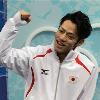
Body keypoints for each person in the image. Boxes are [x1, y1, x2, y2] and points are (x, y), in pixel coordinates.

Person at [0, 10, 98, 100]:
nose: (62, 37)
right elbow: (2, 56)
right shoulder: (34, 56)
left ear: (80, 42)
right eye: (61, 31)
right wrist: (14, 23)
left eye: (70, 36)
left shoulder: (89, 69)